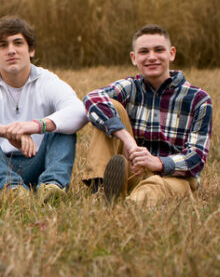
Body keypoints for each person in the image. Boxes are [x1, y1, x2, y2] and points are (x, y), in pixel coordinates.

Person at [0, 16, 87, 199]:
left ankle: (53, 187)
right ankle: (10, 190)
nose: (11, 51)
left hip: (37, 165)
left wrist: (36, 125)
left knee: (60, 124)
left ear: (31, 50)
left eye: (18, 43)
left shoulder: (47, 81)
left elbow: (79, 111)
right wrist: (5, 131)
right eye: (3, 45)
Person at [81, 24, 212, 205]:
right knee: (108, 107)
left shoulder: (198, 99)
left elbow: (197, 158)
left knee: (155, 186)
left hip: (173, 178)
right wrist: (128, 141)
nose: (151, 57)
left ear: (171, 54)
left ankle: (128, 206)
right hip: (133, 169)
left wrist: (158, 163)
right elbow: (92, 98)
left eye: (159, 50)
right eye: (144, 52)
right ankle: (100, 190)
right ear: (134, 58)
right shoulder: (131, 87)